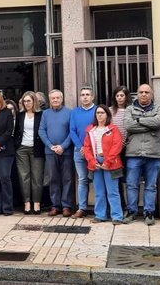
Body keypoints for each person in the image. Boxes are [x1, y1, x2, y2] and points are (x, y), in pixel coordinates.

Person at [123, 83, 160, 226]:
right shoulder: (129, 109)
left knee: (151, 185)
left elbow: (158, 122)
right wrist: (149, 124)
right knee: (131, 184)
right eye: (141, 92)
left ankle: (149, 212)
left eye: (146, 92)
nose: (143, 94)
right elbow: (129, 125)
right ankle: (132, 212)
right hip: (134, 152)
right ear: (137, 93)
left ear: (151, 94)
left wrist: (139, 120)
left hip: (154, 153)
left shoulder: (159, 108)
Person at [83, 105, 124, 224]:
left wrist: (108, 161)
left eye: (102, 113)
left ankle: (117, 216)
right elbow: (87, 148)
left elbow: (117, 146)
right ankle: (100, 215)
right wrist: (93, 161)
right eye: (97, 113)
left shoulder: (113, 129)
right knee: (99, 191)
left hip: (110, 163)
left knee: (113, 191)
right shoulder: (90, 130)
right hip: (95, 163)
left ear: (107, 115)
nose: (99, 115)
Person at [39, 89, 74, 217]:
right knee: (53, 179)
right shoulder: (45, 114)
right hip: (50, 151)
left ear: (62, 98)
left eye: (57, 98)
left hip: (66, 151)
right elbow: (41, 131)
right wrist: (51, 146)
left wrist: (63, 146)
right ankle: (55, 205)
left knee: (67, 179)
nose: (55, 100)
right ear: (50, 100)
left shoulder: (69, 112)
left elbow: (72, 131)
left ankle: (66, 206)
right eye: (53, 98)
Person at [14, 91, 45, 215]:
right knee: (23, 177)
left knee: (37, 177)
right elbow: (16, 131)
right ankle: (27, 203)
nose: (27, 103)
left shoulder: (41, 115)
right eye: (25, 101)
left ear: (34, 102)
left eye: (29, 101)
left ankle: (36, 202)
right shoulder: (20, 115)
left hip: (36, 148)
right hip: (22, 149)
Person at [69, 86, 97, 219]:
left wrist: (89, 148)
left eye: (87, 94)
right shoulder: (74, 112)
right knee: (82, 179)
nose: (85, 97)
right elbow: (72, 131)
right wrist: (81, 146)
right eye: (82, 95)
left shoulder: (98, 111)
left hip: (95, 151)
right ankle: (82, 208)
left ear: (92, 97)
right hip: (79, 150)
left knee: (97, 179)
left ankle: (100, 208)